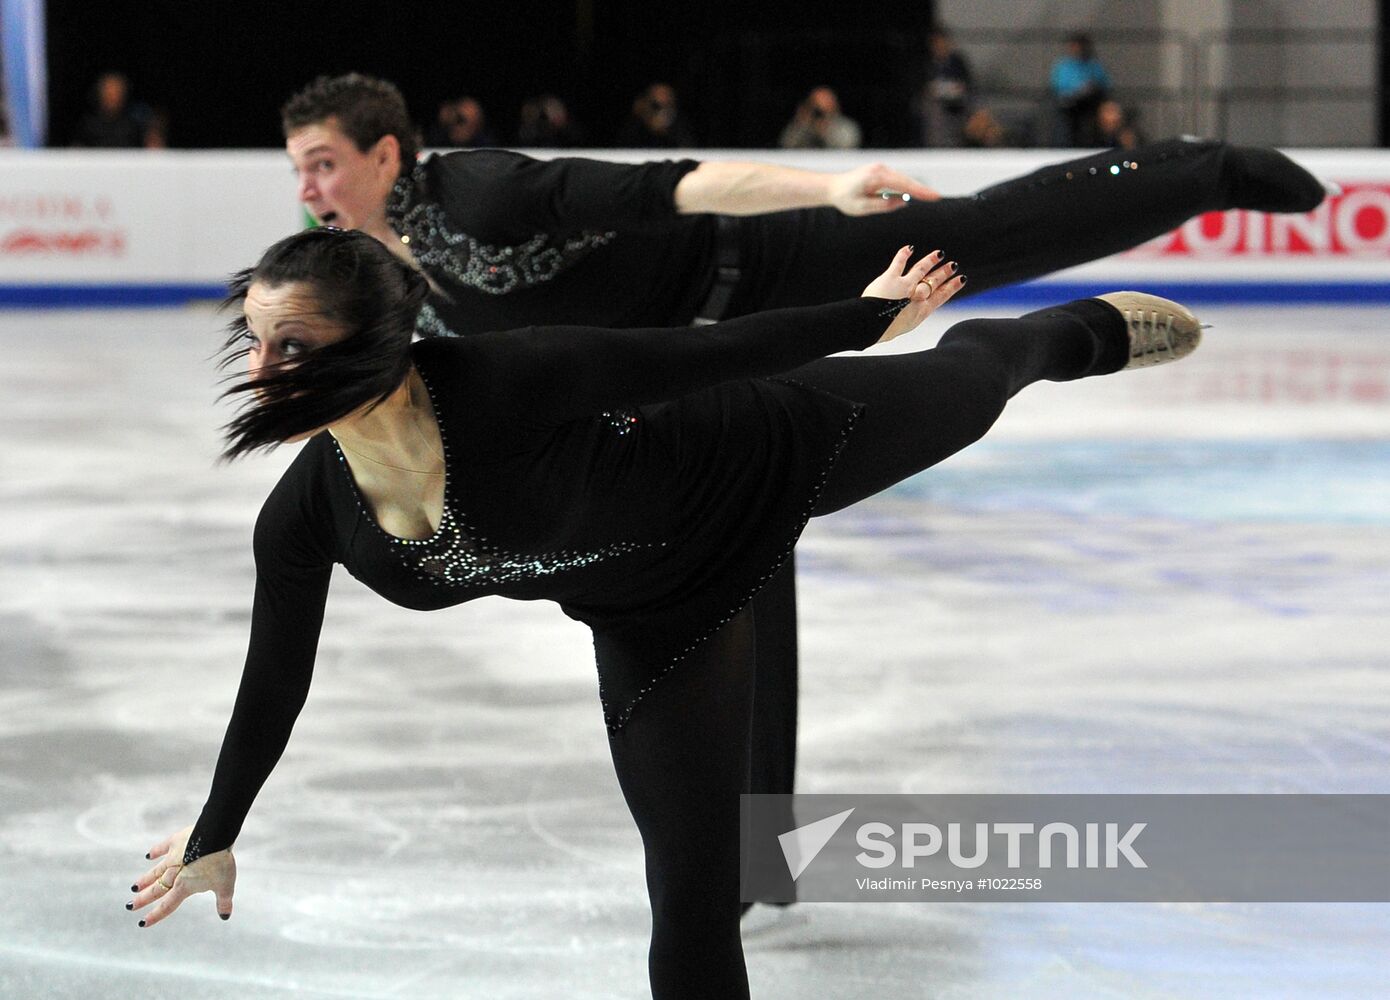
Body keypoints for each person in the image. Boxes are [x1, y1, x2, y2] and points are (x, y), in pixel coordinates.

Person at [274, 72, 1328, 901]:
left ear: (385, 153)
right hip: (688, 388)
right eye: (299, 172)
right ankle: (759, 843)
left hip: (771, 268)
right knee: (734, 565)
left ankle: (1201, 168)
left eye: (325, 165)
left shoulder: (480, 191)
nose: (311, 190)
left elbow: (669, 186)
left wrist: (823, 188)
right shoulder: (379, 281)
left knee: (981, 235)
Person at [128, 225, 1204, 1000]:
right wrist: (218, 833)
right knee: (690, 887)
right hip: (658, 611)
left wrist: (867, 318)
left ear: (379, 342)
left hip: (765, 446)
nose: (262, 372)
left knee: (974, 381)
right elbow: (275, 673)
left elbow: (699, 354)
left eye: (294, 346)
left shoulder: (503, 382)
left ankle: (1063, 335)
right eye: (257, 342)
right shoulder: (308, 512)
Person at [1050, 32, 1112, 146]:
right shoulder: (1064, 65)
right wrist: (1076, 90)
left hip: (1090, 103)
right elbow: (1058, 86)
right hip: (1070, 104)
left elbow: (1104, 84)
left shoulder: (1093, 65)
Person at [919, 27, 973, 147]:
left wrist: (950, 90)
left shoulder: (958, 61)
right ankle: (935, 145)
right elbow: (926, 88)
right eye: (936, 43)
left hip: (958, 102)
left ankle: (957, 144)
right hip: (936, 103)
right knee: (932, 108)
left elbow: (965, 85)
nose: (939, 46)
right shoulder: (928, 64)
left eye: (942, 42)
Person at [779, 86, 863, 150]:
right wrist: (801, 122)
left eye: (826, 103)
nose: (821, 109)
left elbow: (849, 145)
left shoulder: (846, 127)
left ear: (834, 105)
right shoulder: (803, 125)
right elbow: (787, 144)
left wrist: (825, 131)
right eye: (816, 104)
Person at [616, 83, 697, 148]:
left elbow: (687, 147)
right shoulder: (637, 120)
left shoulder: (679, 121)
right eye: (656, 104)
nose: (663, 98)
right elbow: (624, 144)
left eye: (667, 95)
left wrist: (667, 130)